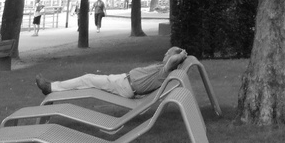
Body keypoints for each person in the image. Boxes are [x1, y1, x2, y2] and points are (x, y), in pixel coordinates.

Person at [35, 46, 187, 98]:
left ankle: (50, 88)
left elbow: (173, 60)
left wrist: (181, 55)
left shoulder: (165, 71)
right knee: (88, 79)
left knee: (87, 79)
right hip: (122, 81)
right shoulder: (162, 68)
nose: (165, 55)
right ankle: (53, 88)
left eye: (168, 53)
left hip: (124, 86)